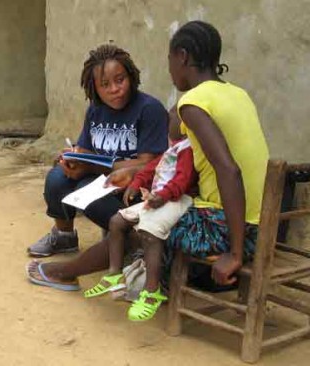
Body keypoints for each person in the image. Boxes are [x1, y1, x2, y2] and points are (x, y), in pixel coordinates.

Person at [27, 20, 269, 303]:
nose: (169, 69)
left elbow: (229, 170)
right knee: (145, 214)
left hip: (226, 227)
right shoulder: (237, 94)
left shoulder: (193, 103)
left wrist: (235, 254)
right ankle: (107, 271)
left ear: (182, 57)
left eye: (169, 60)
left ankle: (66, 272)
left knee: (134, 225)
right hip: (257, 222)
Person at [27, 44, 169, 258]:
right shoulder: (96, 109)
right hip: (101, 176)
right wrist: (72, 159)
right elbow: (85, 149)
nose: (114, 89)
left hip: (135, 186)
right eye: (105, 84)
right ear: (94, 87)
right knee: (57, 177)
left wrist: (93, 165)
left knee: (86, 190)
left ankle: (131, 241)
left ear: (130, 77)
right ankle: (64, 237)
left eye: (120, 80)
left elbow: (147, 165)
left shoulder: (148, 109)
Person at [81, 112, 196, 322]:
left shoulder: (188, 150)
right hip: (157, 199)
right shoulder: (172, 149)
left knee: (149, 233)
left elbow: (182, 181)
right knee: (116, 221)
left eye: (171, 124)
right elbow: (150, 169)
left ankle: (152, 291)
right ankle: (114, 274)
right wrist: (135, 184)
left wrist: (162, 196)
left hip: (176, 200)